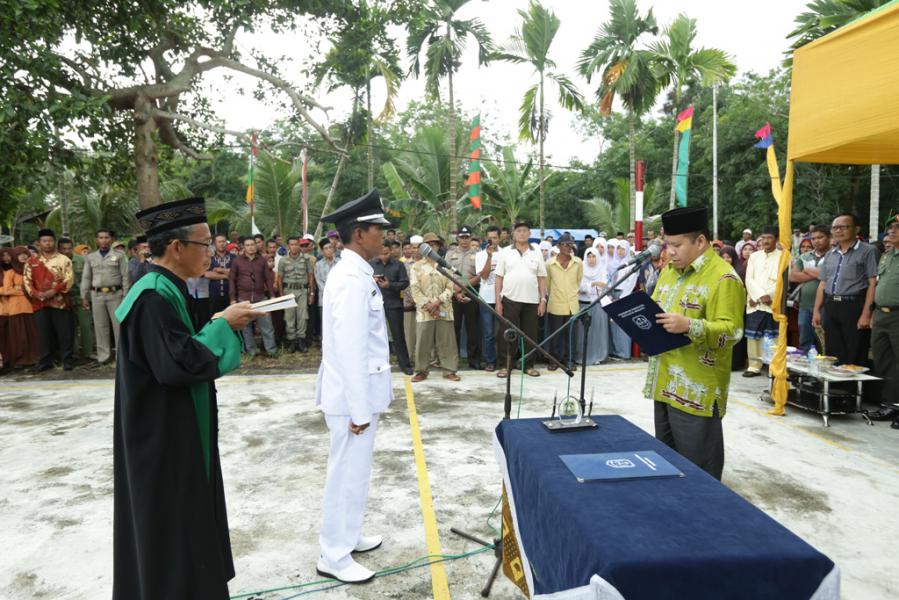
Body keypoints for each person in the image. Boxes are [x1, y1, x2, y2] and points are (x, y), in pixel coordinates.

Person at [112, 197, 261, 599]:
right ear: (177, 247)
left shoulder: (168, 289)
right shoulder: (152, 298)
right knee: (174, 529)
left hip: (174, 429)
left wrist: (220, 322)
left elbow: (179, 347)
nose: (211, 253)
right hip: (163, 441)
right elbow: (177, 364)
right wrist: (223, 325)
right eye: (204, 244)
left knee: (187, 526)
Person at [315, 190, 394, 584]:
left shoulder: (358, 273)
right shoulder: (349, 279)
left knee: (357, 473)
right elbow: (349, 349)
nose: (385, 235)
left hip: (358, 396)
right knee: (344, 475)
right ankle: (333, 554)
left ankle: (349, 535)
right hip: (350, 400)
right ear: (359, 234)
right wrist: (360, 409)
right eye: (379, 229)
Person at [647, 206, 746, 480]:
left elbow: (733, 332)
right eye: (667, 245)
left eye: (676, 245)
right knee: (666, 466)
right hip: (664, 381)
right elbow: (656, 309)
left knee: (699, 474)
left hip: (696, 390)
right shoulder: (669, 271)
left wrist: (690, 325)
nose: (670, 252)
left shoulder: (723, 278)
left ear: (700, 241)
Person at [812, 212, 879, 367]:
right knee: (832, 351)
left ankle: (852, 383)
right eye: (835, 228)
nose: (838, 231)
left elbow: (872, 283)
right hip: (831, 305)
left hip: (854, 306)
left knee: (855, 350)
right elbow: (823, 284)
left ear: (856, 229)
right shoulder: (830, 254)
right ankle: (835, 382)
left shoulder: (868, 251)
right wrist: (816, 310)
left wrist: (866, 314)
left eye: (843, 227)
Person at [495, 221, 547, 378]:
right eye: (519, 231)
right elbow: (499, 277)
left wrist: (543, 300)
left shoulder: (536, 252)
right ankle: (506, 366)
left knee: (530, 335)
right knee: (507, 334)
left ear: (530, 234)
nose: (522, 233)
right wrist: (498, 301)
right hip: (510, 299)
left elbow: (542, 278)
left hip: (532, 301)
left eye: (525, 231)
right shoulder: (505, 252)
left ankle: (528, 365)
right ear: (513, 234)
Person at [410, 233, 459, 382]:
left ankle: (449, 370)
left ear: (438, 246)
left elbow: (450, 287)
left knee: (447, 341)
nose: (431, 247)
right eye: (428, 245)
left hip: (444, 309)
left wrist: (437, 302)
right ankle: (421, 371)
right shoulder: (416, 267)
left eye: (434, 244)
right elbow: (415, 289)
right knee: (423, 342)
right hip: (425, 312)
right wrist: (429, 305)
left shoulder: (446, 266)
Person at [24, 228, 74, 371]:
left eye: (50, 241)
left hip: (60, 302)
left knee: (64, 333)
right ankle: (45, 361)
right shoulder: (32, 261)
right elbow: (27, 281)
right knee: (44, 333)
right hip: (39, 303)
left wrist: (53, 291)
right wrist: (37, 293)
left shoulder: (64, 260)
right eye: (44, 241)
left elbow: (69, 280)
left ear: (54, 242)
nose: (47, 243)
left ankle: (67, 360)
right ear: (39, 243)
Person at [82, 228, 131, 365]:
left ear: (111, 239)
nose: (104, 240)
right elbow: (86, 277)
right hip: (97, 295)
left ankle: (121, 356)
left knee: (119, 325)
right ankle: (103, 357)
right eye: (101, 238)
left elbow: (125, 276)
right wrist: (84, 295)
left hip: (116, 294)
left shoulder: (119, 256)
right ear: (96, 240)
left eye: (106, 237)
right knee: (100, 326)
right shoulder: (91, 257)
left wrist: (126, 296)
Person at [869, 215, 899, 427]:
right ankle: (891, 405)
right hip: (881, 314)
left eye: (898, 227)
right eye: (891, 227)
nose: (892, 231)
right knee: (884, 361)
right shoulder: (887, 256)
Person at [743, 227, 782, 377]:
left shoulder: (783, 256)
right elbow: (749, 279)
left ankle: (774, 366)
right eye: (763, 237)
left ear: (776, 239)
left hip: (772, 302)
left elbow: (782, 281)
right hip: (755, 301)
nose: (766, 241)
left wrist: (768, 295)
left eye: (769, 238)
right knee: (753, 336)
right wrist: (760, 296)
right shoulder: (754, 256)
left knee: (774, 335)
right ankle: (754, 366)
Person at [230, 237, 278, 357]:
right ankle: (251, 351)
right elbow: (232, 280)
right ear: (243, 247)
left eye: (252, 244)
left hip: (260, 297)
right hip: (243, 298)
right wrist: (232, 299)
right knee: (246, 327)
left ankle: (271, 351)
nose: (250, 247)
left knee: (267, 325)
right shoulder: (237, 261)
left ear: (256, 246)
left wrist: (272, 295)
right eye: (248, 245)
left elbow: (268, 279)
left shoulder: (262, 260)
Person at [371, 242, 413, 374]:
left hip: (393, 304)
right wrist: (373, 281)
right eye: (381, 254)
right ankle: (376, 364)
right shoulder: (371, 264)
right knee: (375, 335)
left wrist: (389, 285)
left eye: (386, 253)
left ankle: (405, 365)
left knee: (398, 335)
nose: (383, 256)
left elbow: (404, 282)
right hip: (375, 305)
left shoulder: (398, 264)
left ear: (391, 251)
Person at [445, 225, 481, 369]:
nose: (464, 240)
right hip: (453, 294)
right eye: (462, 237)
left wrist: (463, 288)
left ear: (471, 238)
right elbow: (446, 274)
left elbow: (479, 276)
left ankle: (474, 360)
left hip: (471, 293)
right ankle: (453, 360)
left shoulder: (478, 254)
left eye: (467, 237)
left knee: (473, 328)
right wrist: (456, 292)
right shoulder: (450, 254)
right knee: (454, 328)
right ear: (457, 238)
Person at [545, 233, 583, 370]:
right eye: (566, 244)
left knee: (571, 335)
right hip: (556, 304)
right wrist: (555, 296)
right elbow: (548, 285)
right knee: (555, 335)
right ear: (558, 246)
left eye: (571, 244)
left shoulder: (578, 262)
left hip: (572, 305)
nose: (569, 247)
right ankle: (554, 360)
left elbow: (579, 281)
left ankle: (570, 360)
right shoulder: (550, 264)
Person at [789, 225, 830, 353]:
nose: (816, 241)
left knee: (823, 341)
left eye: (820, 237)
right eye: (813, 238)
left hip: (826, 306)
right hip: (804, 306)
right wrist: (819, 273)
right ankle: (807, 365)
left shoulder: (834, 256)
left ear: (829, 237)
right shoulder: (804, 257)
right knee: (805, 340)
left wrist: (807, 270)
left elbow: (831, 277)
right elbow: (793, 277)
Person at [1, 247, 39, 368]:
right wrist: (24, 291)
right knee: (19, 336)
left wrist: (21, 289)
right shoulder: (10, 272)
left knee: (32, 334)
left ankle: (33, 359)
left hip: (31, 306)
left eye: (25, 254)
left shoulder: (32, 270)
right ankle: (20, 361)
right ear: (15, 257)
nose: (23, 256)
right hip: (16, 308)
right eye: (19, 254)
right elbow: (6, 290)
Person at [276, 236, 315, 353]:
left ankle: (301, 340)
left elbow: (310, 275)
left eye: (296, 244)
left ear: (299, 245)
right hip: (288, 291)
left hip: (302, 291)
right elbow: (279, 278)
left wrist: (311, 292)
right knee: (289, 317)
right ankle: (291, 341)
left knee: (303, 316)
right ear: (288, 246)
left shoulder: (306, 259)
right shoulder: (283, 260)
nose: (294, 247)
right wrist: (281, 294)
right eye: (292, 244)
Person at [60, 237, 95, 363]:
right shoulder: (57, 262)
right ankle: (74, 353)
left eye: (69, 248)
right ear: (59, 249)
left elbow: (90, 278)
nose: (67, 251)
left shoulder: (82, 260)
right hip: (64, 300)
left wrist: (87, 296)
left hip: (81, 298)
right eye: (64, 249)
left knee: (86, 325)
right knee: (70, 328)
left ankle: (88, 353)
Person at [575, 247, 610, 365]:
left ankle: (598, 356)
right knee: (583, 333)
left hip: (598, 304)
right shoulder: (581, 269)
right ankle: (581, 356)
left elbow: (604, 285)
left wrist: (588, 286)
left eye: (594, 256)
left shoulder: (602, 269)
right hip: (583, 304)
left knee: (597, 332)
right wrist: (593, 284)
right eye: (589, 256)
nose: (591, 259)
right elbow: (579, 287)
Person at [718, 245, 748, 371]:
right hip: (721, 308)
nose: (726, 260)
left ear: (734, 258)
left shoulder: (739, 272)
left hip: (736, 308)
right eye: (723, 257)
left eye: (728, 257)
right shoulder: (716, 271)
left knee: (736, 335)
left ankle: (736, 363)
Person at [475, 226, 501, 371]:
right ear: (486, 238)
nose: (492, 240)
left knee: (502, 332)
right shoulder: (480, 255)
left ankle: (504, 360)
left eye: (495, 238)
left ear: (500, 238)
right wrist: (489, 257)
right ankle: (491, 361)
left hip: (503, 298)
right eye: (489, 238)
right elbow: (484, 276)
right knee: (489, 333)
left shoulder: (506, 253)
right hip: (486, 298)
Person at [403, 235, 423, 364]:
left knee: (424, 331)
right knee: (409, 332)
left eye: (418, 247)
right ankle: (409, 357)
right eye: (413, 247)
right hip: (409, 302)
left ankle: (426, 358)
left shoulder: (429, 264)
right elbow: (404, 284)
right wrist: (413, 299)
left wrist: (421, 300)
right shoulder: (404, 265)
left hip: (425, 304)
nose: (415, 250)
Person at [205, 234, 233, 317]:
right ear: (215, 244)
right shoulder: (210, 258)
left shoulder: (233, 257)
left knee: (231, 319)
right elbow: (207, 274)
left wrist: (219, 270)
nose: (222, 244)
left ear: (226, 243)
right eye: (219, 242)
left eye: (223, 241)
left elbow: (235, 272)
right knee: (215, 319)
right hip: (214, 296)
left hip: (230, 296)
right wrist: (226, 276)